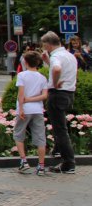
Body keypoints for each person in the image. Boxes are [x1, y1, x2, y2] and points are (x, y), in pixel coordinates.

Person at [42, 31, 77, 174]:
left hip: (57, 94)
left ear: (48, 44)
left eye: (44, 45)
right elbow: (60, 68)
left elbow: (57, 69)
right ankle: (57, 150)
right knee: (61, 126)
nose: (43, 47)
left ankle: (68, 163)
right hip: (69, 93)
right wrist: (48, 62)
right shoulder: (69, 55)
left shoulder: (56, 56)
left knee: (60, 129)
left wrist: (55, 83)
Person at [14, 51, 48, 176]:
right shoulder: (42, 77)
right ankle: (41, 166)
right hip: (38, 110)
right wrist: (31, 99)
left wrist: (21, 108)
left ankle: (24, 161)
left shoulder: (22, 75)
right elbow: (44, 95)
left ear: (26, 62)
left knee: (19, 134)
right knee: (40, 137)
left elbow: (21, 94)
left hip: (25, 109)